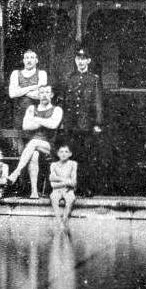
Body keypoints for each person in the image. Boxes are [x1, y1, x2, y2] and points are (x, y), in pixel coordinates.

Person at [10, 85, 64, 199]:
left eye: (47, 92)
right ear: (38, 95)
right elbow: (26, 126)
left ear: (52, 95)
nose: (44, 95)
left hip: (50, 145)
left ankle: (16, 172)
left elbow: (53, 124)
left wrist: (36, 119)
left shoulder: (57, 109)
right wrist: (45, 121)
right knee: (33, 154)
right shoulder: (31, 108)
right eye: (42, 93)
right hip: (32, 147)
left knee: (33, 143)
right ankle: (34, 191)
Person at [61, 48, 103, 195]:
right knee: (72, 155)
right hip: (71, 124)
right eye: (79, 58)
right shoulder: (69, 78)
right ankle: (72, 187)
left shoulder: (94, 79)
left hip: (87, 125)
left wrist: (98, 123)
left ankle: (86, 187)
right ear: (75, 60)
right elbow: (64, 102)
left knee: (87, 157)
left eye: (84, 58)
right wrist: (63, 122)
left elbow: (97, 102)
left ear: (88, 61)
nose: (81, 61)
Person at [8, 49, 48, 152]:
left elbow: (41, 95)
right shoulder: (16, 73)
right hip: (19, 114)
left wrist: (21, 91)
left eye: (32, 58)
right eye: (26, 58)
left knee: (34, 146)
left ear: (36, 60)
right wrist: (33, 87)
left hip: (36, 115)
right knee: (20, 147)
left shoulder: (42, 73)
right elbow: (12, 94)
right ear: (23, 60)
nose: (29, 60)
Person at [49, 144, 78, 228]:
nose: (63, 154)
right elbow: (52, 184)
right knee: (53, 197)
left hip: (68, 190)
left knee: (70, 198)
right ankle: (59, 222)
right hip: (57, 190)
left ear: (70, 154)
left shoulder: (73, 164)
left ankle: (64, 221)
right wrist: (66, 181)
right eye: (61, 152)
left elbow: (73, 182)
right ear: (58, 153)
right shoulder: (53, 165)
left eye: (66, 152)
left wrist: (58, 179)